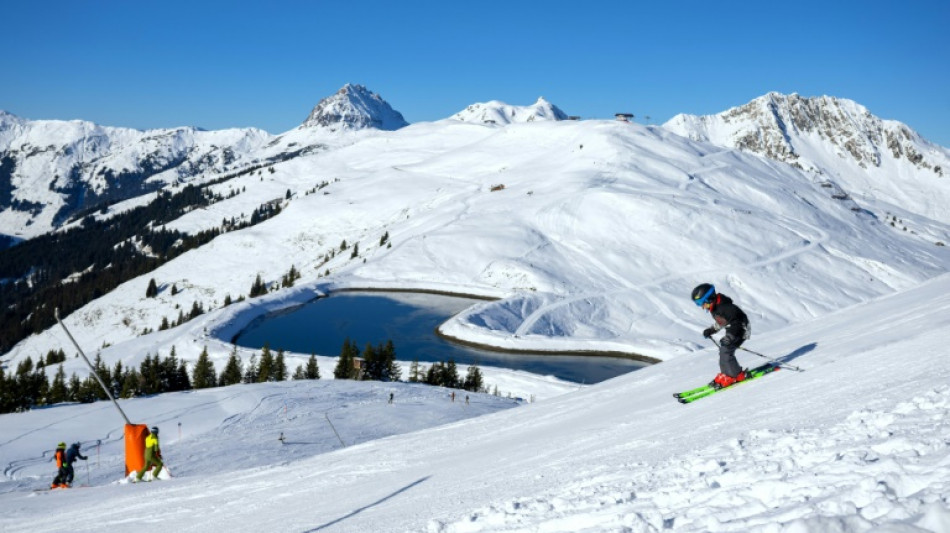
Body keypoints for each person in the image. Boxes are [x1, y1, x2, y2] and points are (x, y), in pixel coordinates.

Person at [691, 283, 751, 388]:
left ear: (709, 298)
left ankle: (738, 375)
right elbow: (722, 321)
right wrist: (711, 330)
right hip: (733, 329)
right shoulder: (715, 308)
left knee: (726, 349)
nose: (701, 307)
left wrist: (731, 336)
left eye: (701, 303)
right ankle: (726, 374)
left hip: (741, 329)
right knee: (723, 350)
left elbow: (739, 321)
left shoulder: (724, 307)